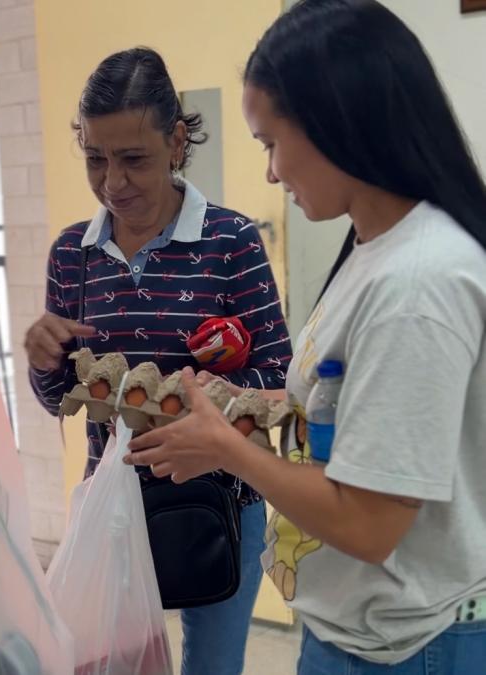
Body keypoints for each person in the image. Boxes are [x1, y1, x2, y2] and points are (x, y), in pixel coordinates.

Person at [125, 1, 486, 673]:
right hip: (358, 632)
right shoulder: (375, 249)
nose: (269, 171)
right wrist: (247, 410)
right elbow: (345, 424)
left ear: (335, 122)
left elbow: (371, 523)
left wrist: (228, 449)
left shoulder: (418, 282)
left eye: (269, 141)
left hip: (411, 647)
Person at [24, 47, 292, 675]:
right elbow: (61, 396)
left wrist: (205, 397)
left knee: (212, 666)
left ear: (176, 142)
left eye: (133, 159)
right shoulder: (74, 253)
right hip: (113, 503)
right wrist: (44, 363)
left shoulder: (230, 240)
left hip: (221, 500)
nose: (112, 183)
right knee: (112, 666)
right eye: (95, 158)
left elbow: (277, 377)